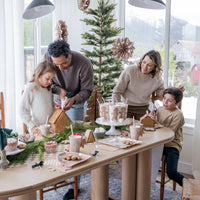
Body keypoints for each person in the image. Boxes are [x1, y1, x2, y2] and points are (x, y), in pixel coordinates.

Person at [47, 39, 93, 200]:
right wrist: (59, 91)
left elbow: (87, 90)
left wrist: (73, 99)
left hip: (76, 104)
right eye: (56, 65)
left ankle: (74, 184)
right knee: (57, 139)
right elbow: (45, 81)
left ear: (70, 55)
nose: (59, 68)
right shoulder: (49, 58)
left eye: (63, 64)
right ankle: (59, 175)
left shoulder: (84, 64)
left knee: (74, 144)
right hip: (55, 101)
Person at [112, 50, 165, 120]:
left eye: (149, 65)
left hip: (144, 109)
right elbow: (117, 91)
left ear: (155, 67)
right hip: (126, 108)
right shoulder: (131, 71)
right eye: (144, 62)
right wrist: (117, 108)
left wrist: (174, 92)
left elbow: (163, 96)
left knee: (145, 130)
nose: (145, 67)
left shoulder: (157, 79)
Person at [150, 87, 185, 186]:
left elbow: (169, 134)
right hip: (158, 143)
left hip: (172, 145)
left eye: (170, 100)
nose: (165, 102)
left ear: (177, 103)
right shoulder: (160, 109)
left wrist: (156, 122)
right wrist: (152, 118)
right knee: (142, 159)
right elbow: (154, 127)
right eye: (164, 98)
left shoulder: (178, 115)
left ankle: (188, 185)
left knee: (171, 173)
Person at [19, 60, 56, 135]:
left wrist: (56, 107)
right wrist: (32, 126)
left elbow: (49, 107)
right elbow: (22, 110)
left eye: (52, 79)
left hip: (49, 129)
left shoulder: (48, 89)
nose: (50, 82)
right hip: (37, 130)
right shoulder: (30, 88)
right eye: (47, 78)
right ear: (39, 76)